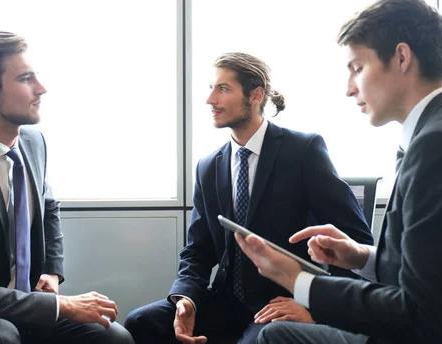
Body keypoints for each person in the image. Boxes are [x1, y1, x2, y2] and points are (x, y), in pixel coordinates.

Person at [234, 1, 442, 343]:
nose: (349, 87)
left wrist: (298, 281)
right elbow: (439, 270)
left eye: (357, 67)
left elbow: (420, 313)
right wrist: (360, 257)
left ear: (401, 58)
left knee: (275, 337)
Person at [124, 52, 373, 344]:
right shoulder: (209, 166)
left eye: (223, 88)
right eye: (211, 88)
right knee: (140, 322)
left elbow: (353, 239)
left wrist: (320, 306)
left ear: (255, 95)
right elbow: (198, 251)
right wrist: (186, 299)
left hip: (281, 301)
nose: (210, 100)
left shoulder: (303, 151)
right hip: (225, 302)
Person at [0, 31, 134, 344]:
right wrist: (60, 305)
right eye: (25, 79)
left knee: (113, 337)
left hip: (21, 301)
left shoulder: (33, 142)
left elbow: (47, 206)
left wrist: (51, 271)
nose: (41, 88)